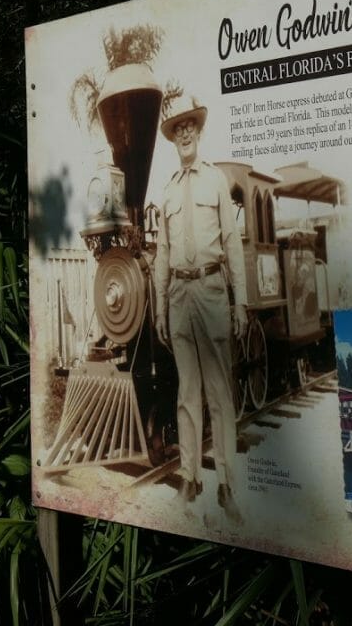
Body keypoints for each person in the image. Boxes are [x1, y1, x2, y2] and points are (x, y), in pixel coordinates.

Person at [153, 97, 248, 523]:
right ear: (173, 138)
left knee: (219, 395)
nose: (185, 133)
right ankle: (189, 478)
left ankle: (227, 484)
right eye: (178, 129)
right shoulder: (168, 190)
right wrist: (159, 305)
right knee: (186, 395)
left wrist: (239, 300)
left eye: (190, 126)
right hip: (178, 297)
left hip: (211, 291)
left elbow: (232, 243)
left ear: (198, 131)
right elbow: (162, 254)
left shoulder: (215, 183)